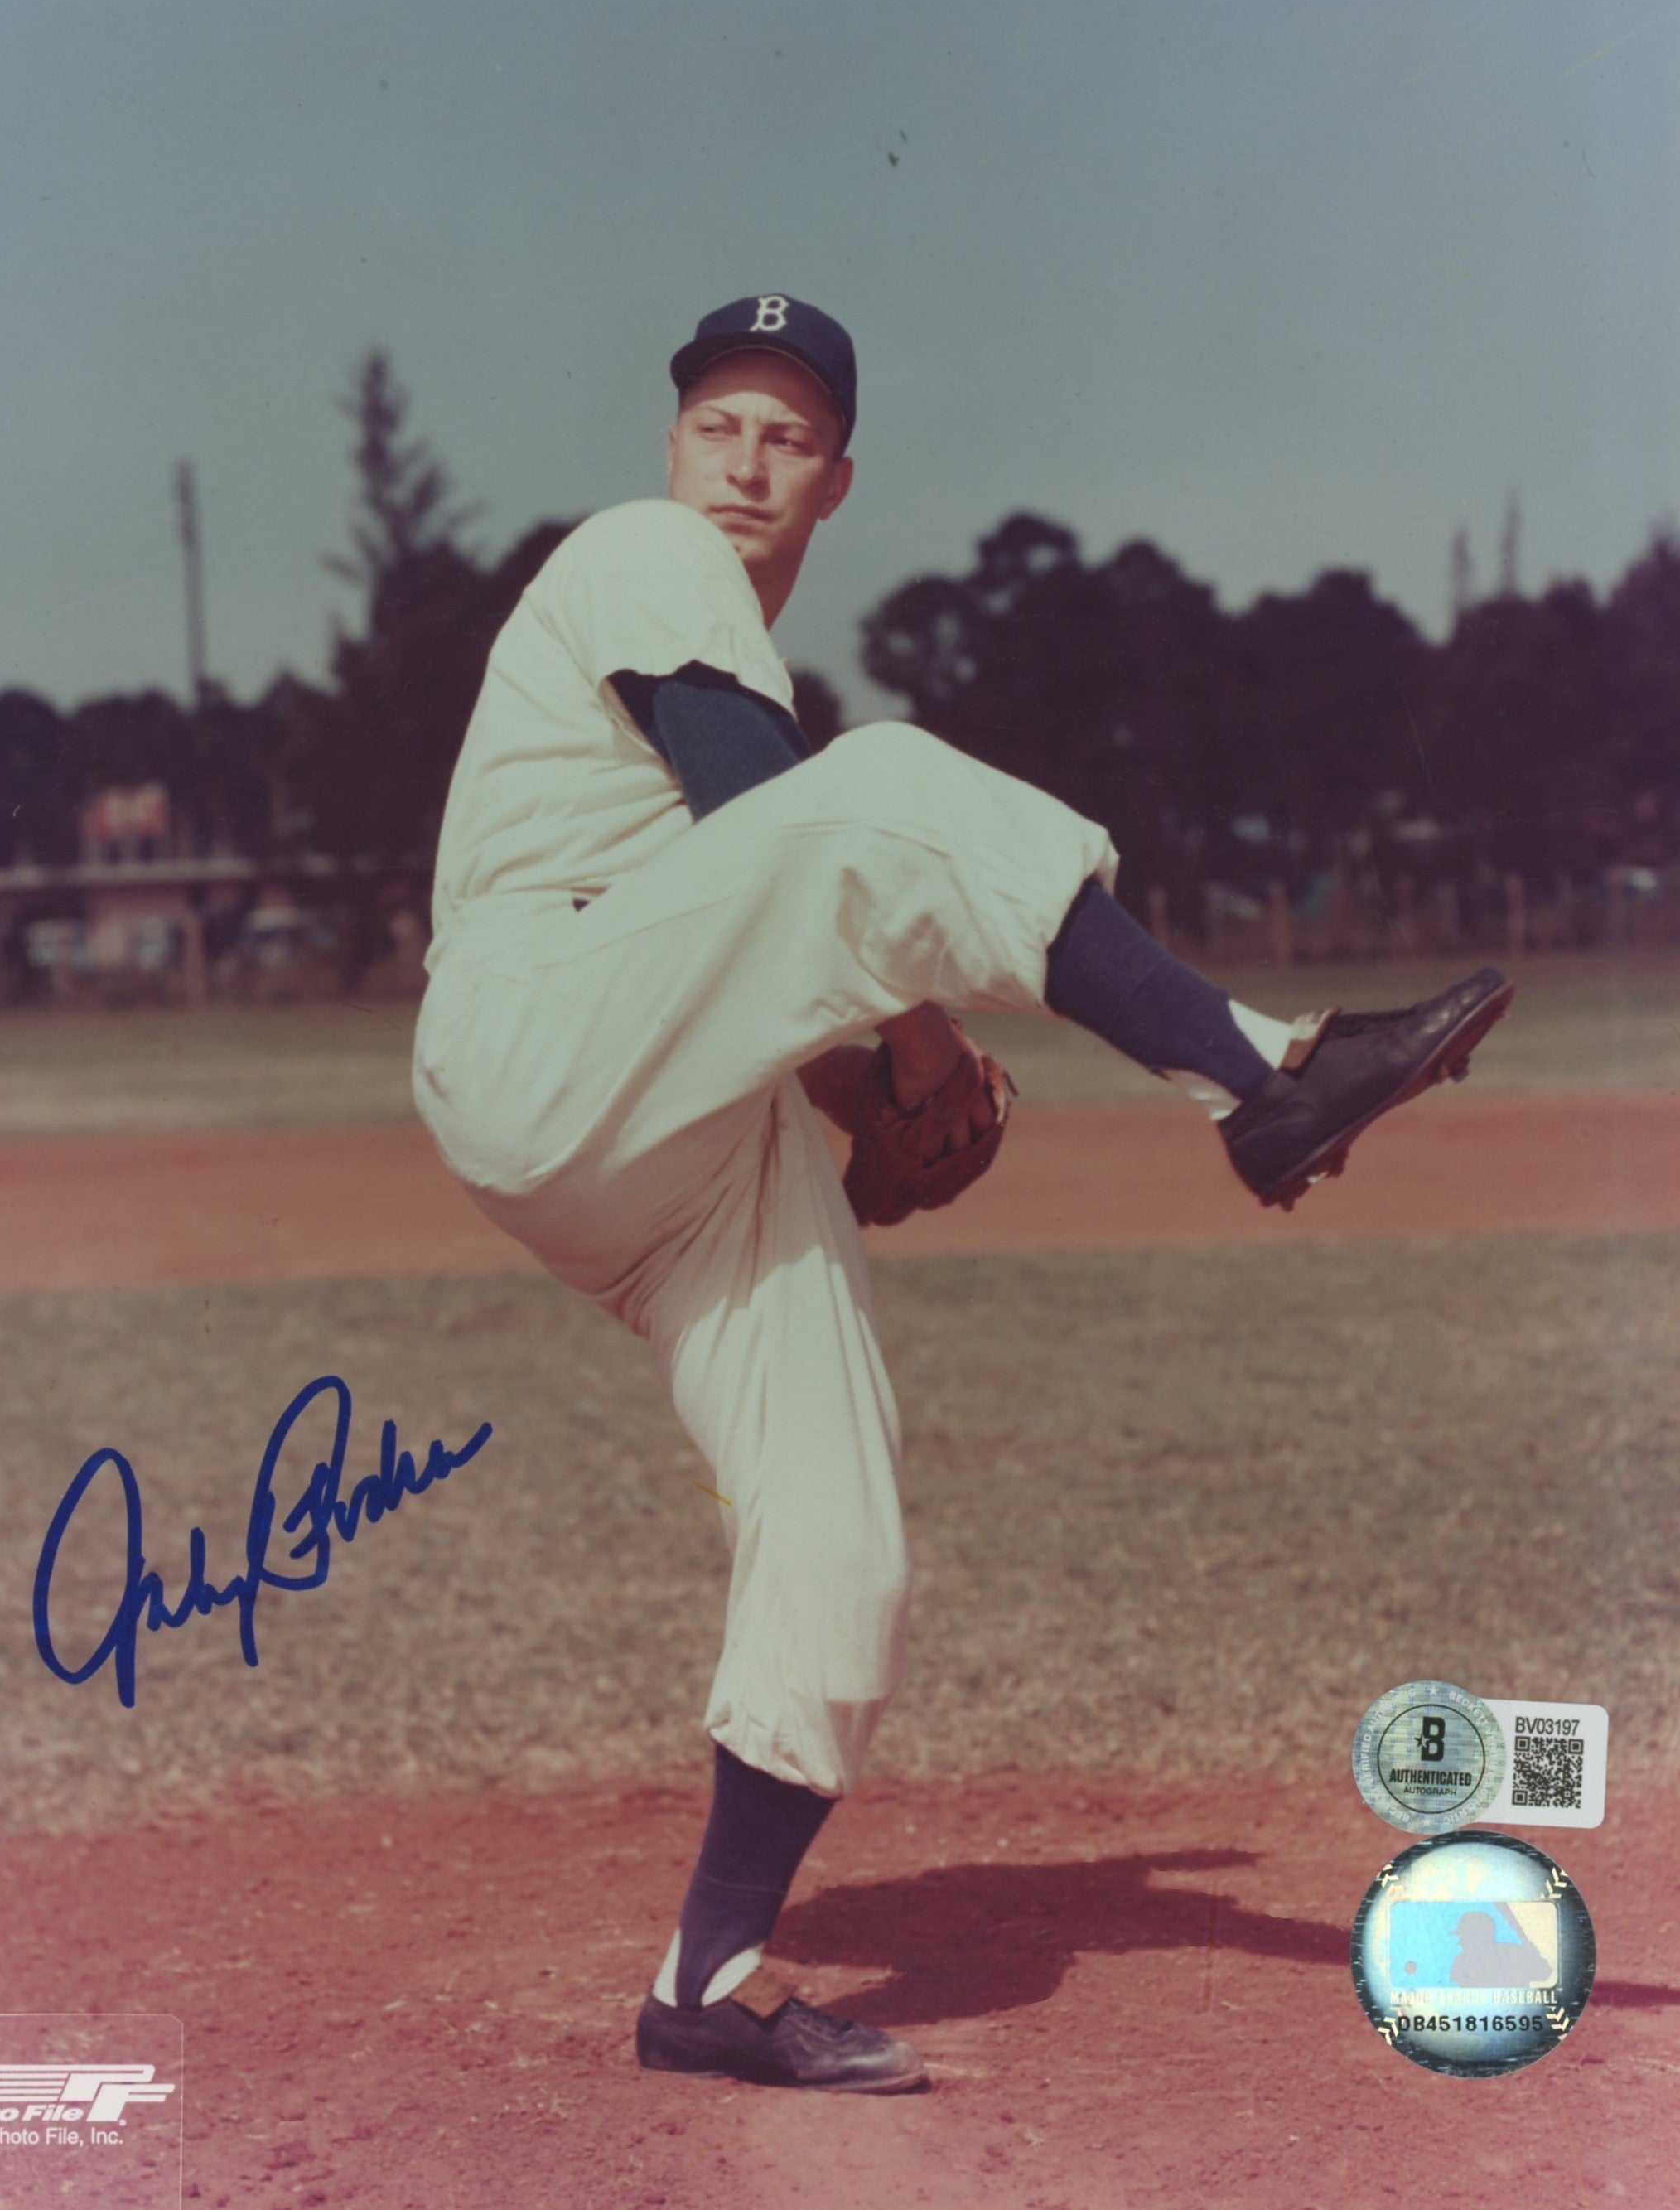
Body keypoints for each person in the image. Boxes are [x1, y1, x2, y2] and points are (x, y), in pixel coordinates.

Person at [413, 293, 1512, 2093]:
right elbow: (761, 800)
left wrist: (866, 1085)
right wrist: (907, 1030)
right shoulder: (641, 551)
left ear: (837, 481)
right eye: (718, 425)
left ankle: (713, 1969)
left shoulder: (724, 604)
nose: (745, 463)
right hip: (533, 1032)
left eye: (786, 439)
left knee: (839, 1525)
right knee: (888, 784)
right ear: (671, 448)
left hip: (671, 1130)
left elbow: (732, 919)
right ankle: (1262, 1073)